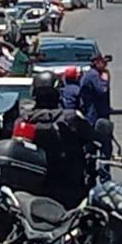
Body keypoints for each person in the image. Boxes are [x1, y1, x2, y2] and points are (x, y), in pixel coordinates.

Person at [18, 71, 97, 211]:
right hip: (69, 189)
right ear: (58, 92)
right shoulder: (72, 118)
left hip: (33, 190)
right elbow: (94, 138)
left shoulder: (24, 121)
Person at [78, 53, 113, 124]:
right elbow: (102, 91)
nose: (105, 65)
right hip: (95, 112)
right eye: (103, 63)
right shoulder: (94, 75)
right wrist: (105, 80)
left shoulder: (90, 73)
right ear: (97, 63)